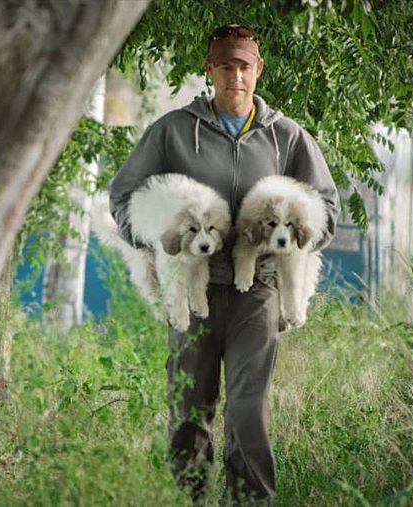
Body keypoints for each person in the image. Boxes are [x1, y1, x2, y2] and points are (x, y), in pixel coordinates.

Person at [108, 24, 339, 503]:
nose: (236, 77)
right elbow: (125, 195)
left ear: (258, 70)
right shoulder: (172, 130)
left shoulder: (288, 137)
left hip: (258, 292)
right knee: (190, 410)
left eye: (244, 67)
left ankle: (249, 500)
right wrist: (156, 239)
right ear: (210, 71)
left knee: (248, 411)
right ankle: (189, 498)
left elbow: (326, 209)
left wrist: (291, 238)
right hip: (193, 293)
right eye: (226, 67)